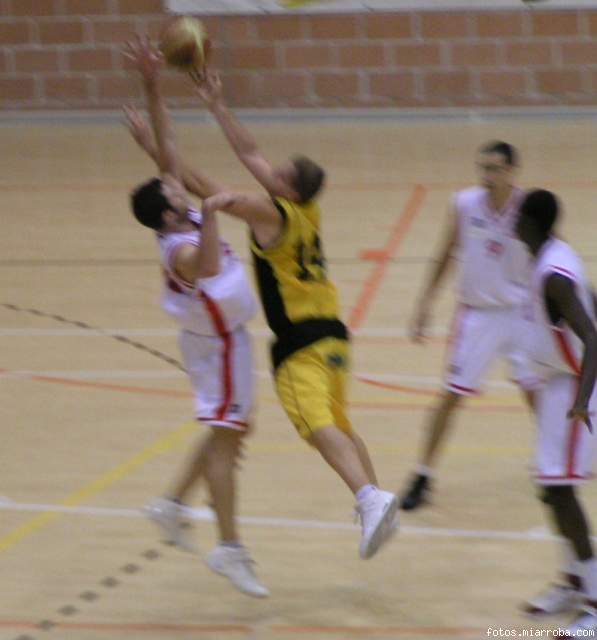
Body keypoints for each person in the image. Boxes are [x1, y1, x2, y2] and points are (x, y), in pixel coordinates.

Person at [192, 69, 399, 559]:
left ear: (288, 188)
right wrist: (218, 105)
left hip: (301, 344)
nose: (268, 173)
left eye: (277, 174)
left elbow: (220, 185)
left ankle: (370, 498)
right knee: (341, 428)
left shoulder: (272, 214)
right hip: (334, 339)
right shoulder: (307, 211)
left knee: (315, 428)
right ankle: (376, 504)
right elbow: (249, 152)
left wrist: (182, 171)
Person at [124, 35, 268, 598]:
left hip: (219, 340)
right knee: (228, 439)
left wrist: (152, 84)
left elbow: (170, 147)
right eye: (172, 188)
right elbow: (207, 265)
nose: (177, 179)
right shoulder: (181, 247)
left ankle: (171, 504)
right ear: (167, 210)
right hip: (220, 344)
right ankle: (231, 548)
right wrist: (210, 214)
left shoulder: (173, 214)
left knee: (229, 431)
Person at [401, 141, 537, 510]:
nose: (487, 176)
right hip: (477, 316)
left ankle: (553, 461)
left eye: (495, 169)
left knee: (538, 393)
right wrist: (424, 304)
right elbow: (446, 252)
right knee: (450, 396)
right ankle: (423, 475)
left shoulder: (529, 208)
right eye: (483, 168)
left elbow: (550, 260)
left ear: (512, 170)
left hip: (522, 312)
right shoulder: (464, 204)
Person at [515, 189, 597, 636]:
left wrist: (583, 401)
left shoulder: (554, 276)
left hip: (575, 390)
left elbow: (592, 335)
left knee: (562, 492)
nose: (510, 221)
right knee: (549, 490)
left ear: (531, 223)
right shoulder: (551, 251)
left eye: (517, 216)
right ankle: (573, 581)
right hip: (556, 386)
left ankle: (595, 602)